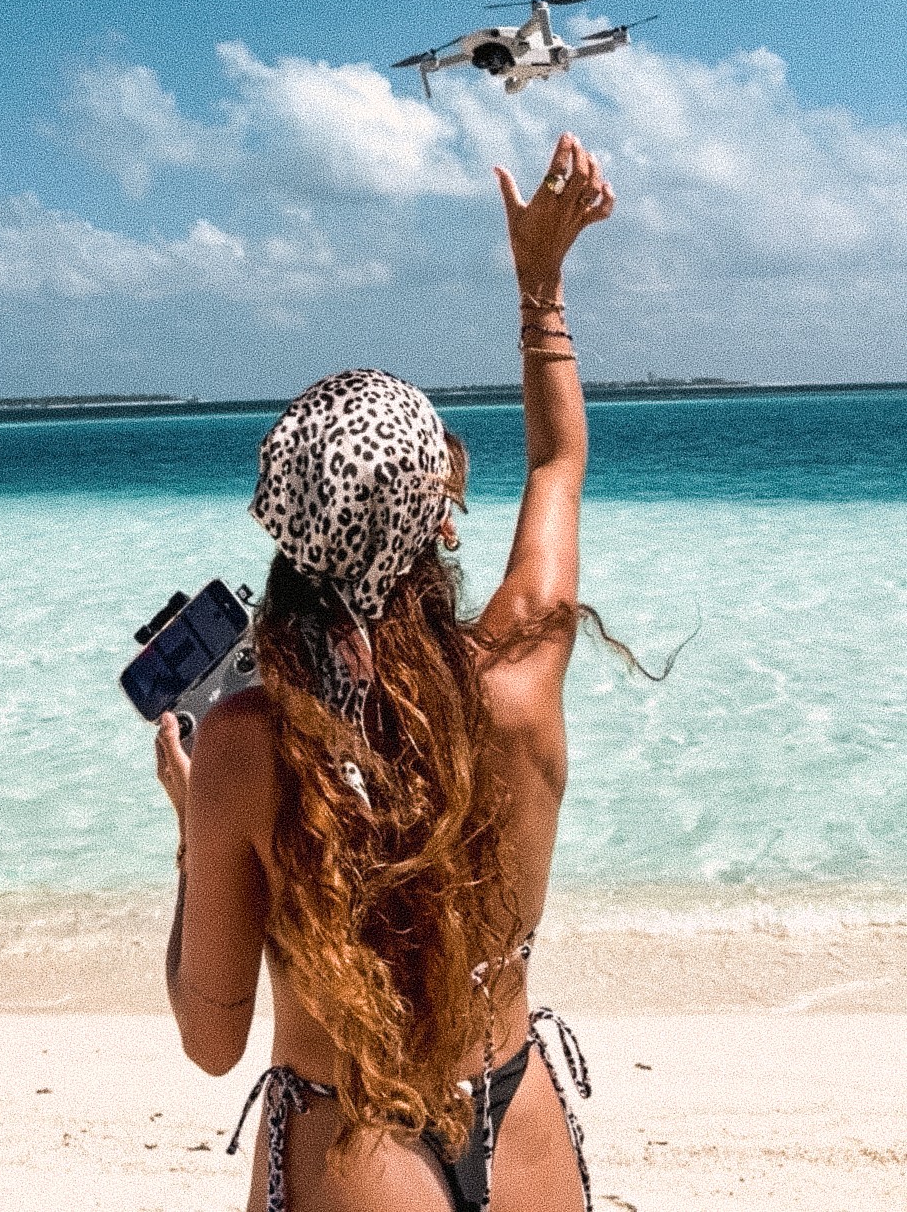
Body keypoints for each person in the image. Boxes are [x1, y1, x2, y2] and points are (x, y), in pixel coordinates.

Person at [155, 133, 614, 1212]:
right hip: (516, 1115)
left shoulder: (247, 742)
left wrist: (191, 823)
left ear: (285, 530)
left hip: (348, 1140)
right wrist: (541, 288)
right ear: (439, 517)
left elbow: (212, 1036)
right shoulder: (522, 670)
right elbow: (559, 459)